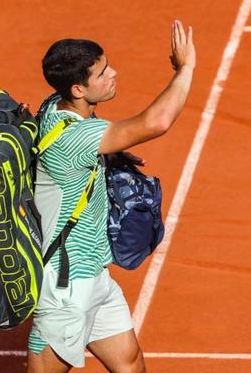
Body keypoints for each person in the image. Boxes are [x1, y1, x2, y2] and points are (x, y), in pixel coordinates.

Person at [27, 20, 195, 372]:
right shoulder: (76, 137)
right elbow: (157, 122)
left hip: (94, 275)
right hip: (65, 288)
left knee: (130, 363)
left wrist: (111, 154)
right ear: (77, 89)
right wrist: (186, 68)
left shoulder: (54, 107)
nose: (113, 73)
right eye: (102, 73)